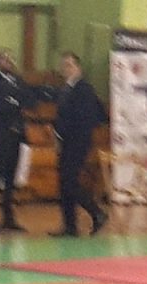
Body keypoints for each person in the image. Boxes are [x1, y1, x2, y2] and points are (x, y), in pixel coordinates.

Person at [50, 51, 108, 237]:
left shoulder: (84, 89)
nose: (66, 69)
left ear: (78, 68)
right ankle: (69, 225)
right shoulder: (65, 89)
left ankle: (96, 212)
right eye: (63, 66)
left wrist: (78, 133)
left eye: (69, 65)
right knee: (65, 183)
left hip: (77, 142)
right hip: (65, 142)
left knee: (70, 182)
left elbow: (94, 115)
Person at [0, 48, 33, 233]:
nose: (8, 62)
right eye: (4, 59)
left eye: (10, 59)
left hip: (15, 135)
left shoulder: (19, 81)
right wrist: (13, 102)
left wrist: (13, 101)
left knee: (11, 177)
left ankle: (8, 218)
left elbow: (29, 100)